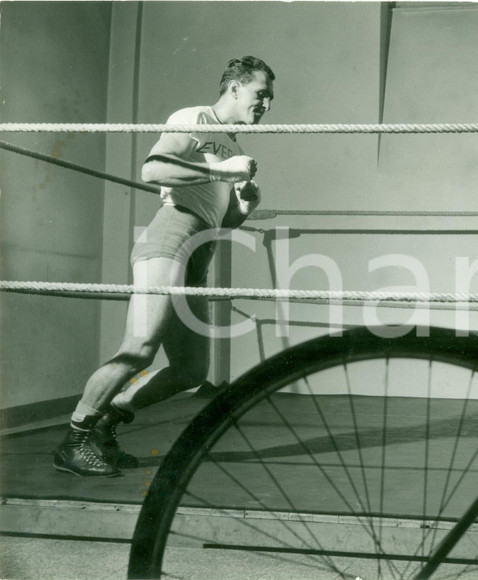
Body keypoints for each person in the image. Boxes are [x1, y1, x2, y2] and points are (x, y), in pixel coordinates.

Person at [53, 56, 275, 477]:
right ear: (234, 87)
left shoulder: (236, 143)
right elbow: (154, 168)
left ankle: (106, 423)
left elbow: (220, 218)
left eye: (269, 98)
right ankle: (74, 440)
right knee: (138, 348)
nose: (265, 104)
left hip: (199, 252)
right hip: (170, 237)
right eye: (260, 93)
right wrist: (220, 169)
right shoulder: (195, 117)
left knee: (191, 370)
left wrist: (245, 204)